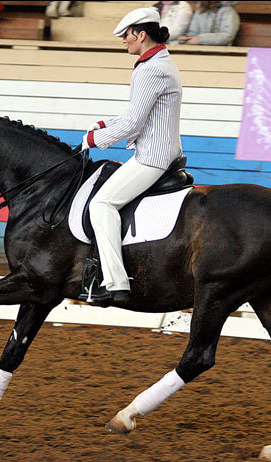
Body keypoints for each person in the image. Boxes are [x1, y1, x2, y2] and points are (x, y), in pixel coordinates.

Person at [81, 7, 183, 303]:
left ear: (141, 34)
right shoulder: (158, 62)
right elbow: (138, 115)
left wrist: (93, 139)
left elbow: (134, 123)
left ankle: (116, 283)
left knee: (101, 204)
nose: (124, 40)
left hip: (152, 156)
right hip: (159, 149)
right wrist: (104, 124)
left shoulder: (151, 69)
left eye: (127, 35)